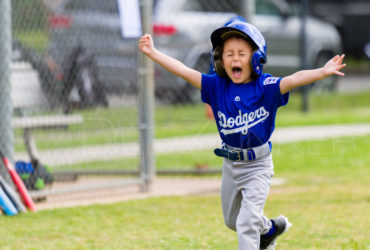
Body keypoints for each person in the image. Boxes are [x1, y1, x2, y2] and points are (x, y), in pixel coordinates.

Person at [138, 20, 346, 250]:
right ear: (219, 59)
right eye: (229, 54)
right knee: (232, 221)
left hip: (258, 165)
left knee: (246, 222)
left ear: (256, 59)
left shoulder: (265, 87)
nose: (235, 59)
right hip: (230, 164)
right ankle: (268, 230)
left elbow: (293, 79)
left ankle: (261, 234)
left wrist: (322, 71)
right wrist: (153, 53)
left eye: (242, 54)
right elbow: (184, 71)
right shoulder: (216, 86)